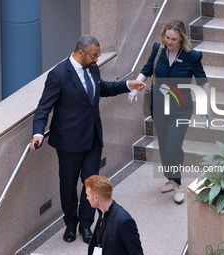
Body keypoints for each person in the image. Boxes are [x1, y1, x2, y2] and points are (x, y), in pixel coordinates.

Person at [29, 35, 146, 244]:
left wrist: (128, 85)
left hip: (93, 138)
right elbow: (43, 108)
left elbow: (103, 89)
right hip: (68, 141)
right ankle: (71, 224)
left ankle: (86, 224)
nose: (97, 59)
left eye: (98, 55)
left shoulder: (92, 68)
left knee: (91, 184)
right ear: (81, 52)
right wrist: (38, 133)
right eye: (94, 55)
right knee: (68, 185)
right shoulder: (58, 74)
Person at [128, 20, 211, 204]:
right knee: (164, 144)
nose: (169, 42)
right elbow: (146, 70)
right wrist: (134, 89)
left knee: (173, 145)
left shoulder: (192, 56)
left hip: (180, 109)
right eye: (167, 37)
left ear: (182, 38)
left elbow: (203, 83)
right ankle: (170, 177)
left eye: (174, 39)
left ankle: (177, 184)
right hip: (159, 106)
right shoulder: (158, 49)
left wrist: (206, 106)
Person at [85, 175, 144, 255]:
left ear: (96, 198)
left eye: (88, 195)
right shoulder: (101, 212)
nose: (87, 198)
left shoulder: (124, 221)